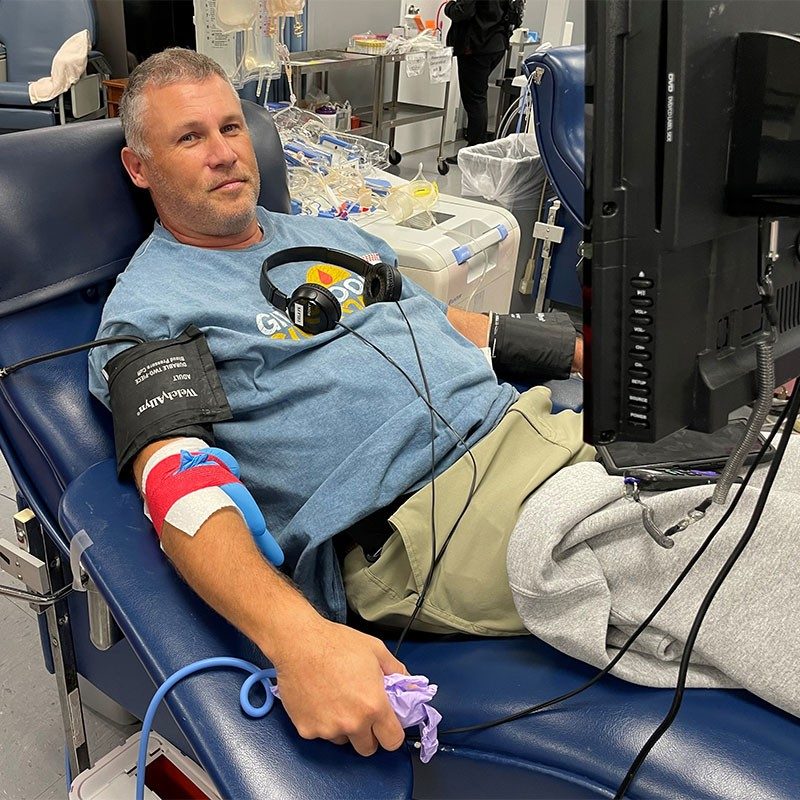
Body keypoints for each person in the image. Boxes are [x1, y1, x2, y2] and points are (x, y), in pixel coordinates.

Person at [88, 48, 589, 758]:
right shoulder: (150, 312)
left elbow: (442, 323)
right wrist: (299, 639)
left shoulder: (326, 236)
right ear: (141, 168)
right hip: (429, 523)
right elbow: (182, 486)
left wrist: (579, 352)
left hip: (533, 431)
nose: (225, 153)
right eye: (190, 137)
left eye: (231, 127)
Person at [444, 0, 521, 163]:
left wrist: (449, 6)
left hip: (476, 47)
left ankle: (473, 151)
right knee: (479, 97)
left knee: (474, 100)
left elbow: (462, 12)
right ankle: (478, 146)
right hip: (497, 44)